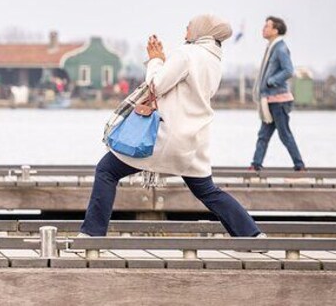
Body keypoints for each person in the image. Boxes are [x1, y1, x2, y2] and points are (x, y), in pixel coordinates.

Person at [80, 14, 261, 237]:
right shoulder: (215, 61)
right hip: (194, 140)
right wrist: (164, 63)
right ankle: (251, 233)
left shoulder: (186, 54)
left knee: (106, 170)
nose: (186, 30)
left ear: (201, 31)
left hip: (165, 137)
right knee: (207, 190)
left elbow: (156, 84)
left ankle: (92, 234)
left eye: (189, 26)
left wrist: (155, 60)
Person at [249, 16, 305, 171]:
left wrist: (270, 81)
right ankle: (256, 165)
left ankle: (299, 165)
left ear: (276, 30)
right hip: (269, 100)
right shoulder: (271, 47)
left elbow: (288, 70)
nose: (263, 29)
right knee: (263, 135)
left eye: (267, 26)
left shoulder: (280, 48)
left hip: (279, 100)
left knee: (284, 134)